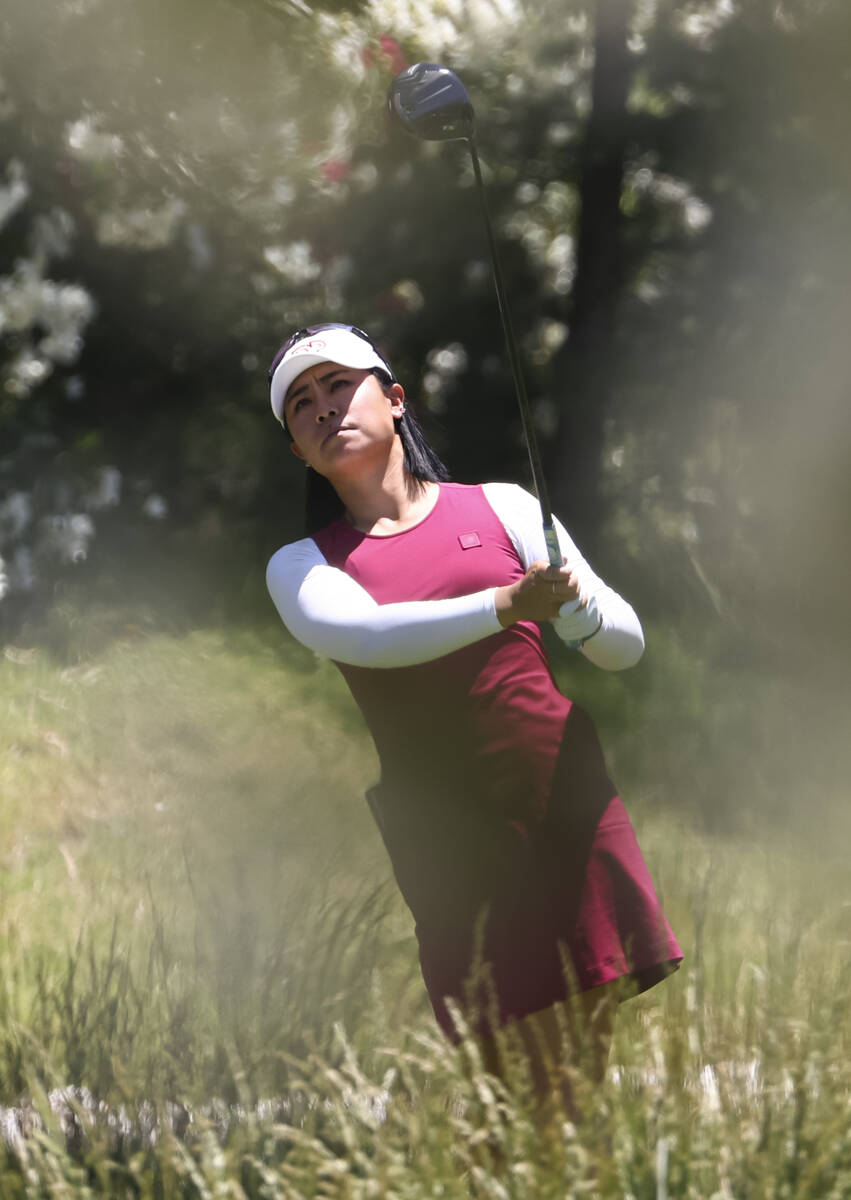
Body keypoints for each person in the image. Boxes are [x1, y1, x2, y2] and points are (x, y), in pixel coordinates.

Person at [265, 322, 682, 1114]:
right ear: (295, 447)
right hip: (446, 835)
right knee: (502, 1081)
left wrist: (572, 609)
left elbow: (621, 647)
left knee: (577, 1069)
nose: (323, 408)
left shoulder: (500, 506)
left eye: (339, 386)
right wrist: (504, 603)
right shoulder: (302, 563)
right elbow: (361, 637)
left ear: (393, 399)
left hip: (560, 796)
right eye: (301, 404)